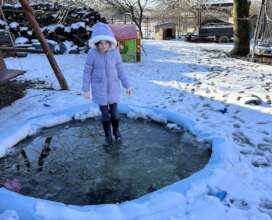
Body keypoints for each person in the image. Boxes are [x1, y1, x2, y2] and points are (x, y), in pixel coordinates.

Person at [82, 22, 132, 146]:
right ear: (96, 43)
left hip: (113, 88)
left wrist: (127, 85)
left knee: (115, 114)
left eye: (106, 42)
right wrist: (86, 89)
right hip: (99, 90)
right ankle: (108, 135)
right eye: (100, 43)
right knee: (105, 115)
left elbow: (121, 70)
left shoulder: (115, 53)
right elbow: (87, 72)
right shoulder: (92, 54)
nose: (103, 45)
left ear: (110, 42)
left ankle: (116, 131)